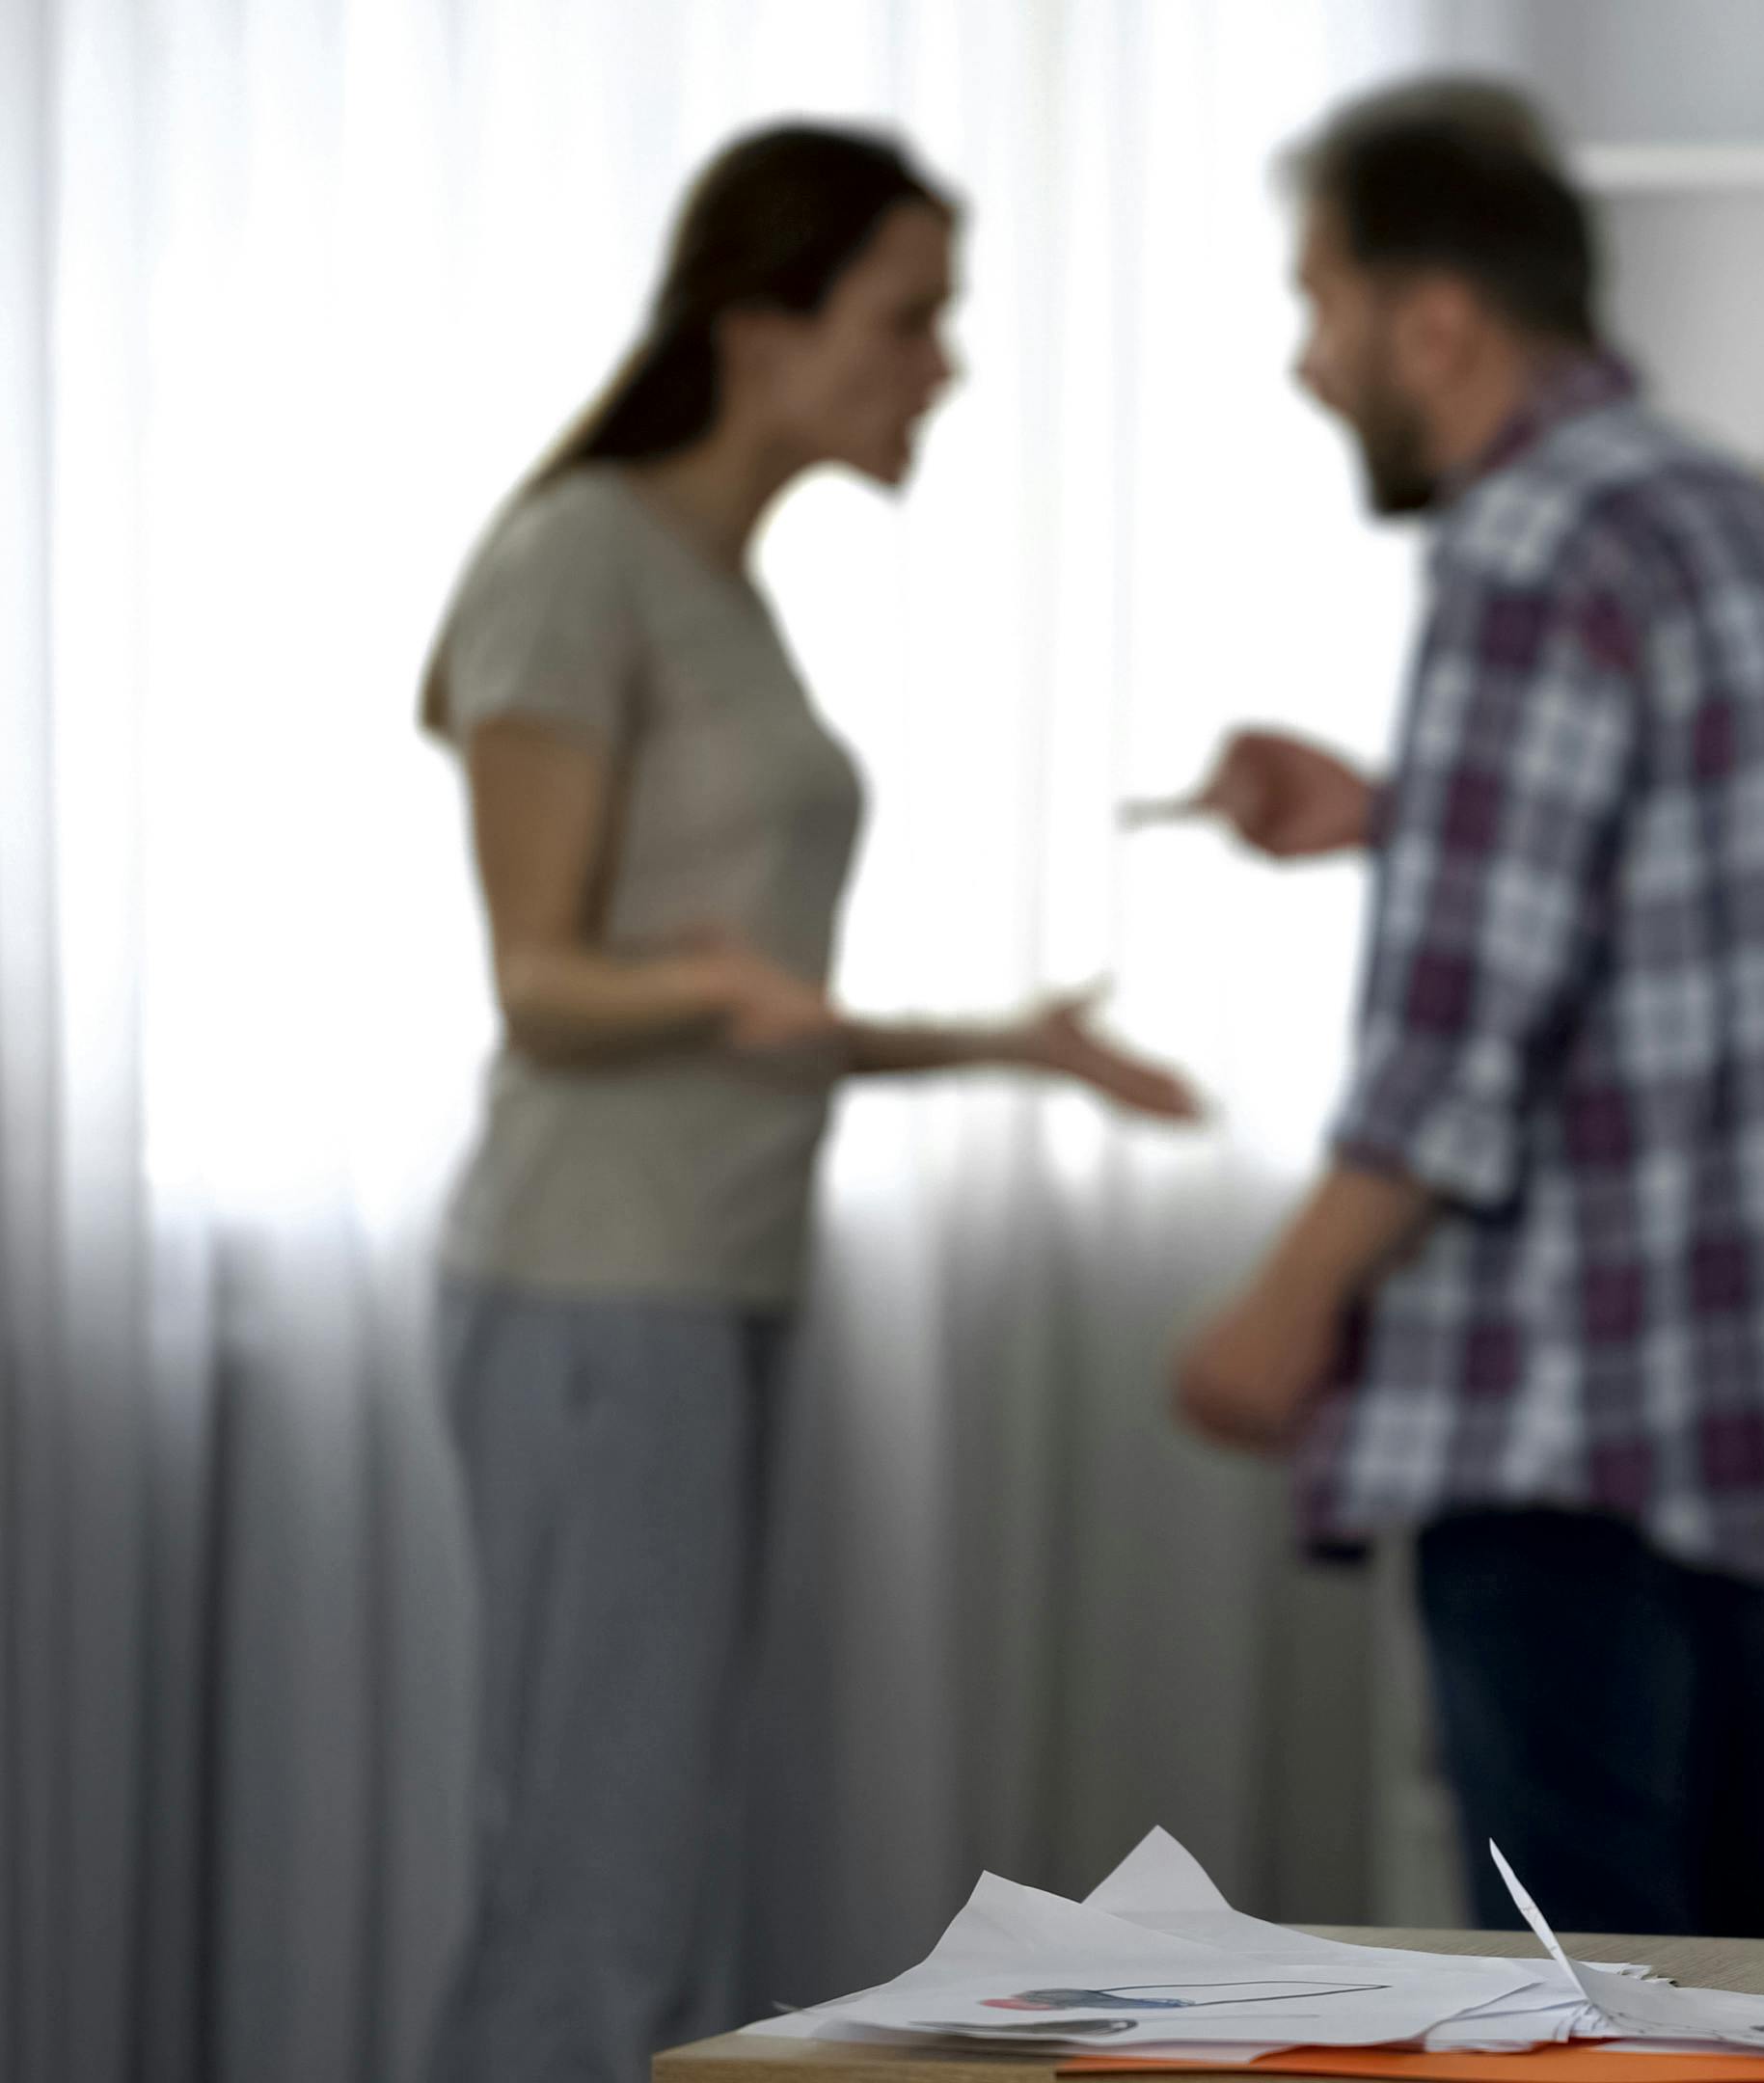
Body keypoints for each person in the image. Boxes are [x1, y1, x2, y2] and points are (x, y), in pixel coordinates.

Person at [419, 123, 1199, 2083]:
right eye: (909, 316)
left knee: (663, 1870)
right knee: (596, 1893)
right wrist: (702, 984)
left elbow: (754, 1013)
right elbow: (543, 983)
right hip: (597, 1291)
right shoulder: (574, 558)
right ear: (762, 322)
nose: (939, 363)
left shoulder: (711, 582)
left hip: (709, 1283)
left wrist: (1012, 1044)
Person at [1168, 78, 1764, 1939]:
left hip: (1553, 1412)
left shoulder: (1524, 545)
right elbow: (1682, 893)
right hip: (1725, 1389)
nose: (1310, 365)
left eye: (1319, 304)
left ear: (1437, 315)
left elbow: (1462, 1035)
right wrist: (1397, 817)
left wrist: (1279, 1308)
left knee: (1572, 2003)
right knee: (1734, 1983)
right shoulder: (1741, 518)